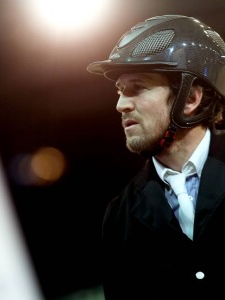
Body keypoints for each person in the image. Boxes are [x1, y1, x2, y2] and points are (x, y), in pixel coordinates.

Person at [87, 15, 225, 299]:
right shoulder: (118, 217)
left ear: (190, 98)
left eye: (137, 88)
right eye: (121, 91)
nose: (120, 104)